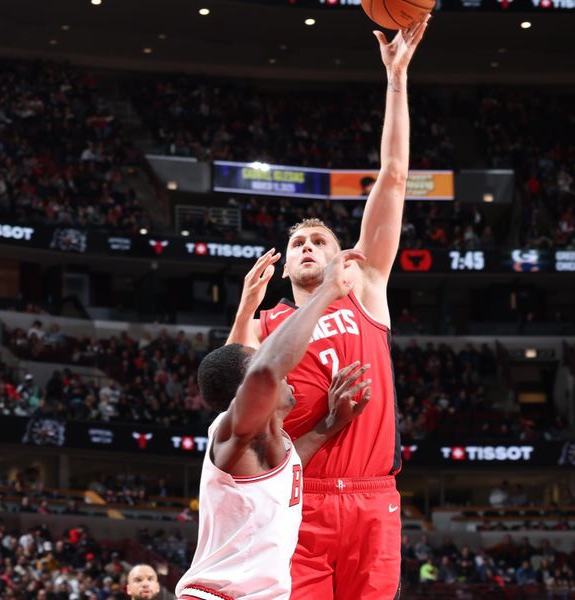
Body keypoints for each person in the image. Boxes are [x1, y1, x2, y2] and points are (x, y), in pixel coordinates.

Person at [226, 15, 430, 600]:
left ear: (346, 261)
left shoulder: (363, 289)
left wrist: (396, 79)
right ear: (286, 267)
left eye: (320, 241)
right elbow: (230, 405)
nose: (308, 246)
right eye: (298, 244)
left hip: (372, 496)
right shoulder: (268, 325)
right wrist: (244, 310)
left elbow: (393, 178)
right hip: (300, 498)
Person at [177, 250, 372, 600]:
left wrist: (330, 423)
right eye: (259, 360)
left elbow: (290, 463)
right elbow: (267, 369)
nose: (282, 372)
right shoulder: (233, 433)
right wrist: (326, 291)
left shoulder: (269, 445)